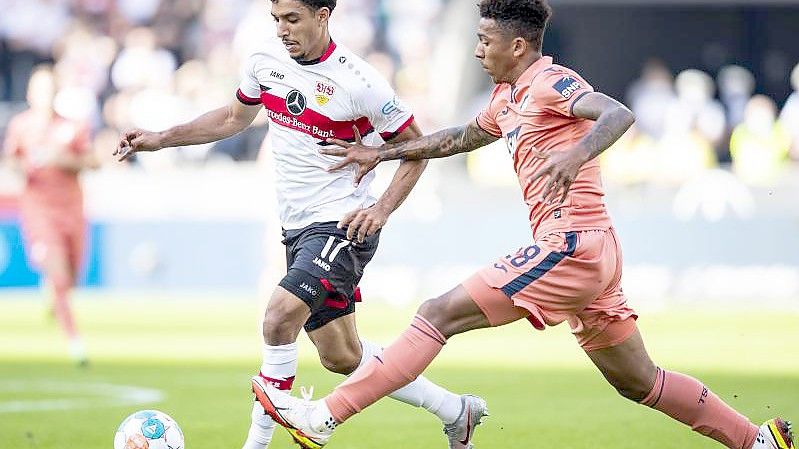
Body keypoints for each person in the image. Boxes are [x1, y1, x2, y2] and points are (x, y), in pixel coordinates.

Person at [251, 2, 796, 449]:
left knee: (437, 313)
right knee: (640, 382)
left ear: (517, 45)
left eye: (485, 40)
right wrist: (383, 152)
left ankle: (325, 416)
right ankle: (755, 441)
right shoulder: (507, 97)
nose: (477, 49)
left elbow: (617, 113)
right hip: (593, 253)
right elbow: (460, 138)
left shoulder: (550, 81)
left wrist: (577, 153)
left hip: (571, 245)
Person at [114, 1, 482, 449]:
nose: (283, 30)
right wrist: (162, 138)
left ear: (324, 16)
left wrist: (381, 209)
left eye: (293, 19)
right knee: (342, 357)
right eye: (277, 19)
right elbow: (233, 117)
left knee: (277, 318)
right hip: (296, 227)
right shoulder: (264, 61)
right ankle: (456, 410)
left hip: (343, 223)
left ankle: (257, 445)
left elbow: (416, 147)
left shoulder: (359, 81)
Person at [2, 65, 98, 366]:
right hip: (38, 210)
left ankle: (52, 296)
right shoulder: (21, 126)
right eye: (39, 89)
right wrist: (24, 167)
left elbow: (93, 160)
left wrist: (64, 160)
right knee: (57, 275)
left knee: (71, 278)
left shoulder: (73, 126)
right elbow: (12, 160)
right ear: (31, 93)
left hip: (71, 209)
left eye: (49, 89)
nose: (44, 95)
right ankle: (75, 343)